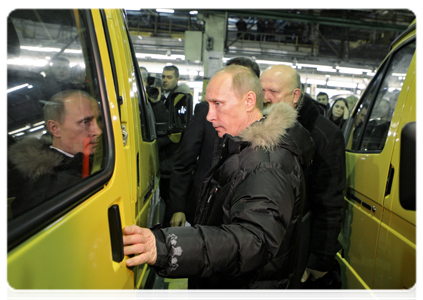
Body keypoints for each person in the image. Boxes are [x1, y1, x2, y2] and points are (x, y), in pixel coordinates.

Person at [123, 65, 315, 300]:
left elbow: (253, 240)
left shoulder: (266, 161)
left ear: (249, 101)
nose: (209, 116)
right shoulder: (245, 149)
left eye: (218, 104)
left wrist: (169, 246)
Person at [260, 65, 345, 300]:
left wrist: (320, 258)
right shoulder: (256, 125)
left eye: (273, 91)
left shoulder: (324, 135)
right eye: (261, 89)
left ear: (295, 96)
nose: (265, 97)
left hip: (298, 250)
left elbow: (329, 201)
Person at [168, 57, 260, 228]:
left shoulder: (264, 126)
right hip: (202, 209)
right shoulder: (206, 111)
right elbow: (184, 161)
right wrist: (178, 207)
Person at [8, 90, 102, 218]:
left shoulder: (92, 159)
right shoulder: (43, 189)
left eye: (99, 120)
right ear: (55, 128)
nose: (98, 131)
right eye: (85, 122)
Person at [151, 65, 191, 226]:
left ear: (177, 79)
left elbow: (174, 130)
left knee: (168, 205)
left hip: (170, 162)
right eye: (163, 76)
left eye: (169, 77)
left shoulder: (181, 99)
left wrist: (157, 104)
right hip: (159, 160)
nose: (165, 80)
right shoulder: (160, 96)